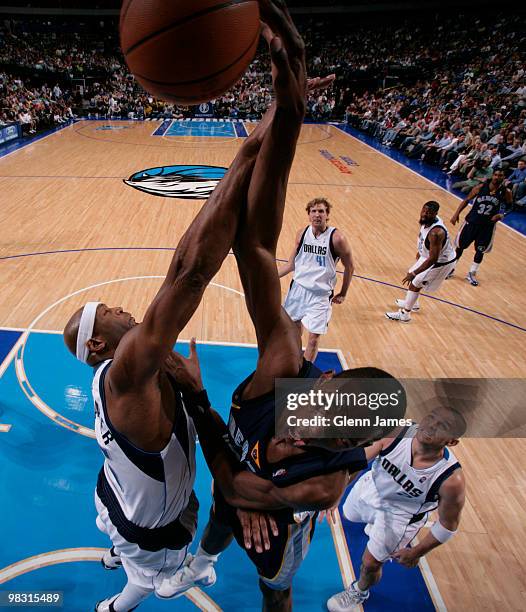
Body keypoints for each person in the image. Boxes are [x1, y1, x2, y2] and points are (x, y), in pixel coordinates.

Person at [156, 5, 405, 609]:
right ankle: (204, 560)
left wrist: (196, 398)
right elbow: (259, 246)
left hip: (279, 523)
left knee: (277, 587)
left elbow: (241, 482)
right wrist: (287, 112)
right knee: (218, 522)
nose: (312, 410)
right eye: (323, 394)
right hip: (240, 482)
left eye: (325, 419)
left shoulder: (323, 482)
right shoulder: (285, 366)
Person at [62, 4, 305, 608]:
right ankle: (122, 599)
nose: (122, 309)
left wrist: (283, 108)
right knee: (148, 579)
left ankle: (122, 553)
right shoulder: (128, 370)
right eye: (110, 310)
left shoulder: (141, 369)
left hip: (120, 492)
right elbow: (193, 271)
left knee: (179, 501)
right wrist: (253, 145)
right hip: (153, 533)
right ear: (98, 345)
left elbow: (239, 248)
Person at [326, 407, 466, 611]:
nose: (431, 426)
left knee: (370, 563)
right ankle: (372, 525)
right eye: (430, 417)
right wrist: (334, 495)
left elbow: (447, 526)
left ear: (452, 441)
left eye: (442, 426)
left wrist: (417, 552)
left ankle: (360, 590)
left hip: (400, 515)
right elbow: (356, 461)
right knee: (348, 514)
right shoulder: (396, 431)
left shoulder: (452, 480)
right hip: (372, 487)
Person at [279, 197, 354, 362]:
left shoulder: (337, 238)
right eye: (313, 211)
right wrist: (270, 277)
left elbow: (350, 267)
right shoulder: (302, 234)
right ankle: (295, 362)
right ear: (308, 214)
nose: (317, 215)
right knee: (293, 332)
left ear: (327, 215)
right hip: (298, 290)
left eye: (321, 211)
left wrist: (343, 292)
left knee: (313, 338)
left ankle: (303, 379)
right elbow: (291, 264)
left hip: (320, 295)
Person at [385, 201, 457, 323]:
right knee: (412, 275)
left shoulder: (436, 233)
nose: (424, 214)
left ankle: (405, 315)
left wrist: (414, 274)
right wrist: (421, 251)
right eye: (423, 210)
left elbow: (433, 259)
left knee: (415, 281)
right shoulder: (427, 221)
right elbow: (425, 238)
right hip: (429, 255)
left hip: (441, 262)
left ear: (435, 214)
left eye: (428, 212)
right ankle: (413, 303)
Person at [451, 169, 512, 286]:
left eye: (500, 175)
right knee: (460, 247)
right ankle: (451, 268)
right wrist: (456, 214)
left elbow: (510, 207)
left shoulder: (506, 192)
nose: (497, 177)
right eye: (495, 175)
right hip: (471, 222)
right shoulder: (480, 187)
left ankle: (471, 273)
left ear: (503, 177)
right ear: (492, 175)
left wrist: (502, 215)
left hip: (487, 226)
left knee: (480, 250)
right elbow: (467, 200)